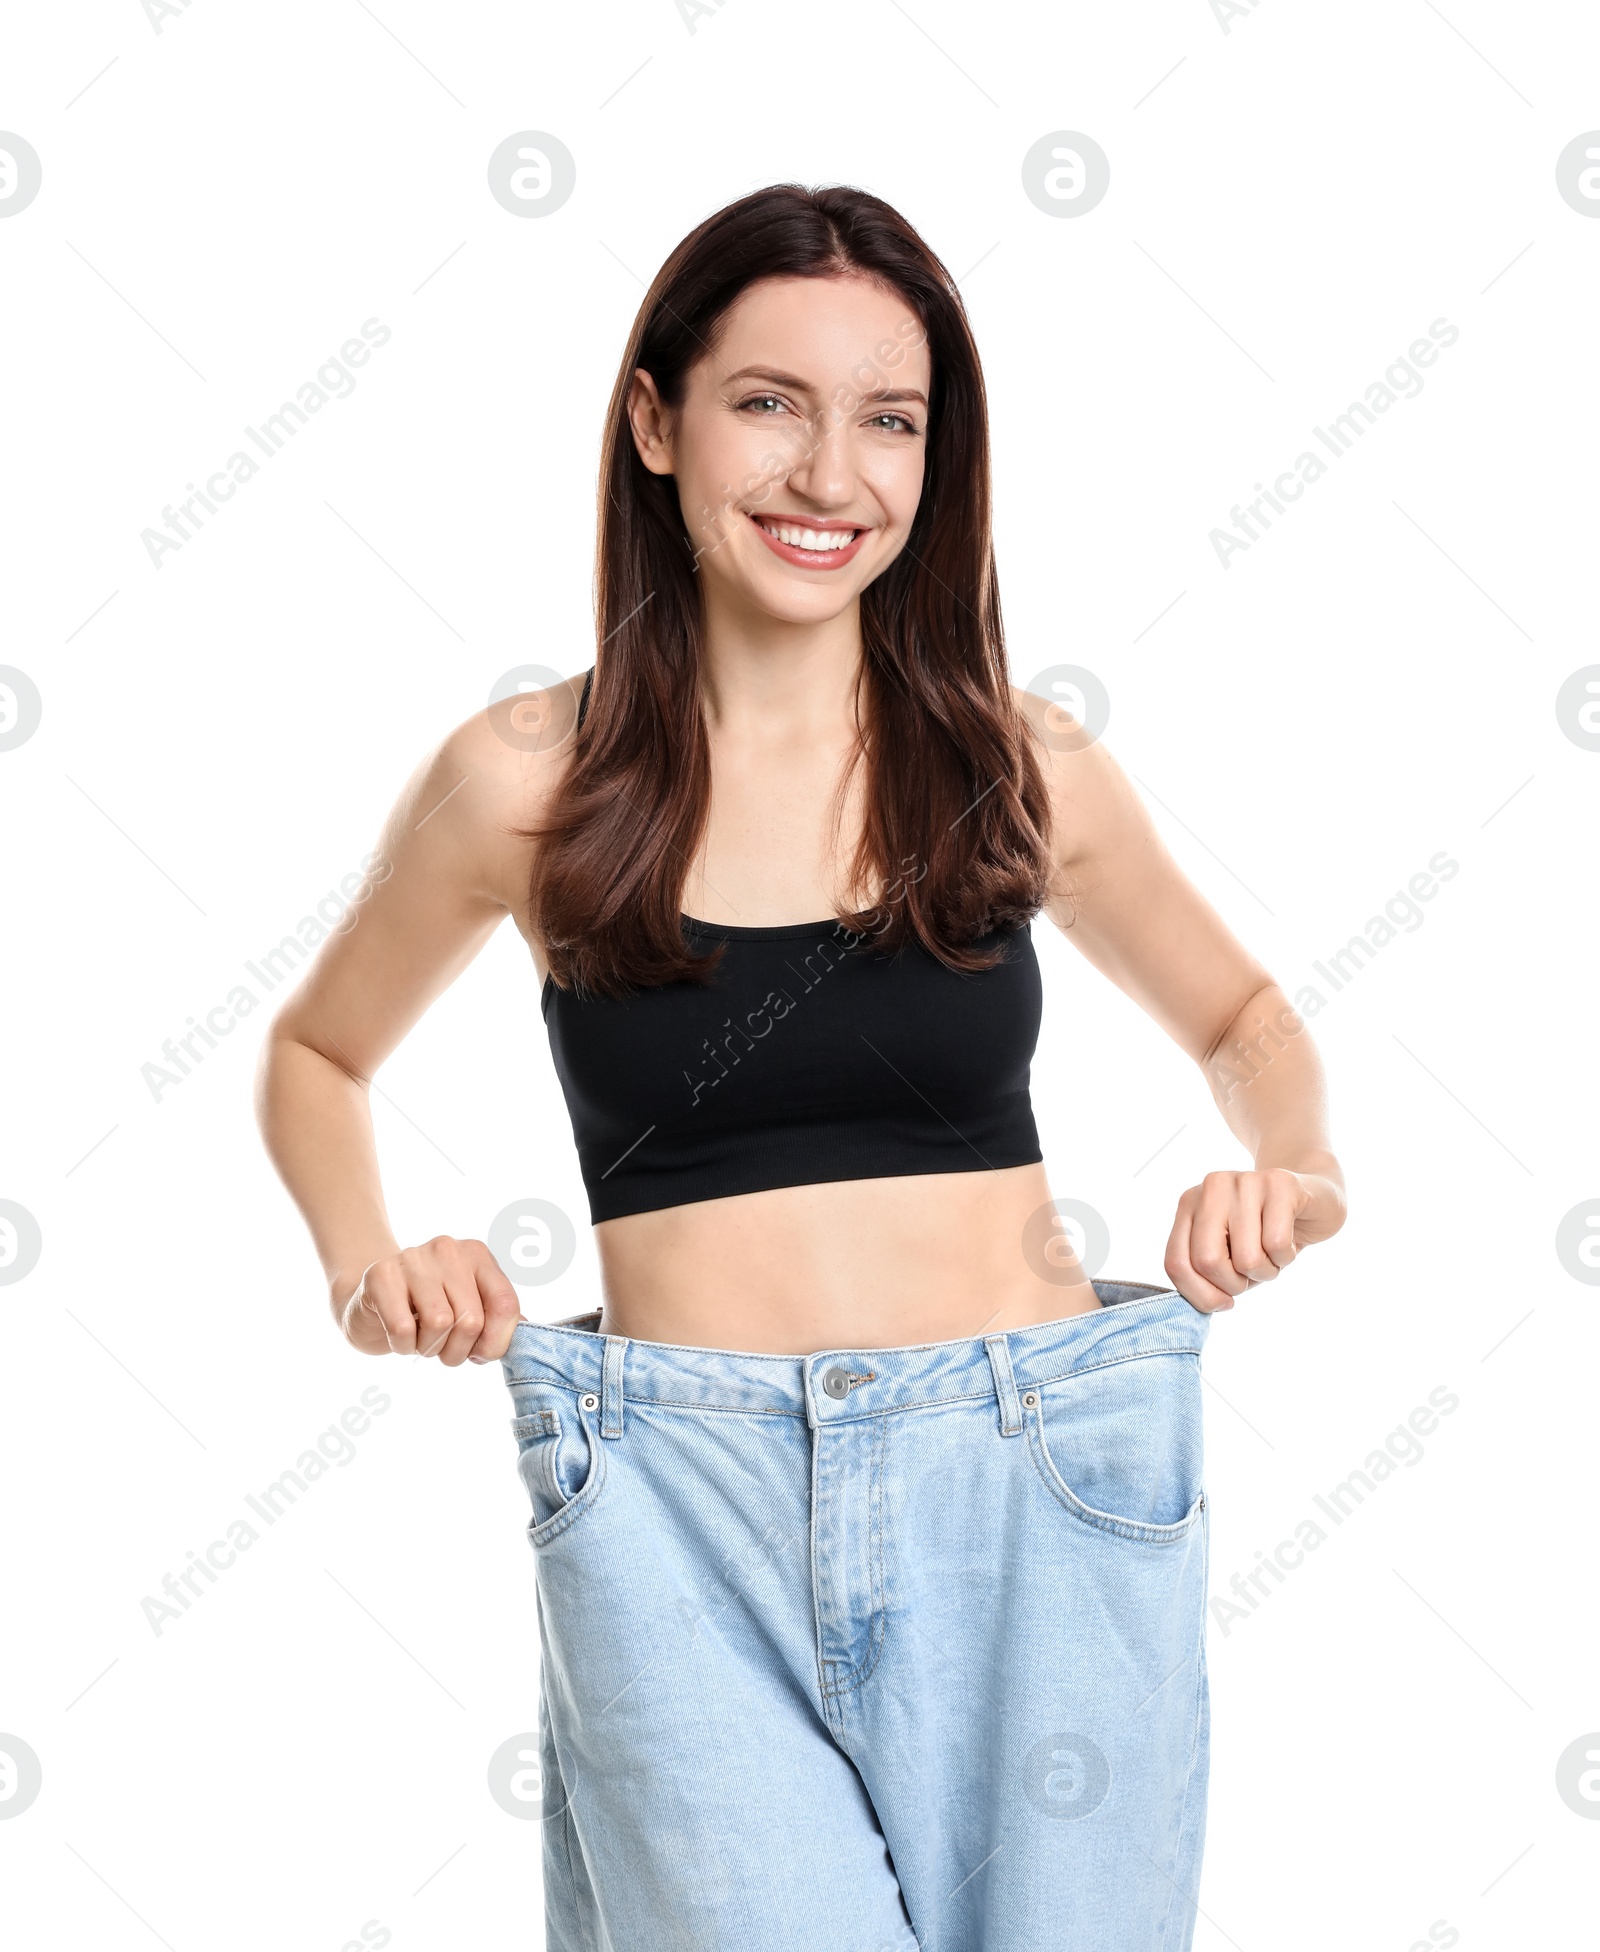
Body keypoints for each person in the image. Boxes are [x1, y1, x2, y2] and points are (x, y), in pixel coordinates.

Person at [257, 182, 1346, 1952]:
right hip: (679, 1509)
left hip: (1042, 1486)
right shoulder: (524, 780)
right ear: (656, 420)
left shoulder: (1015, 764)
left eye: (890, 420)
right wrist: (368, 1265)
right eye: (770, 401)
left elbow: (1252, 1027)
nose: (831, 475)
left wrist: (1291, 1174)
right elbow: (317, 1050)